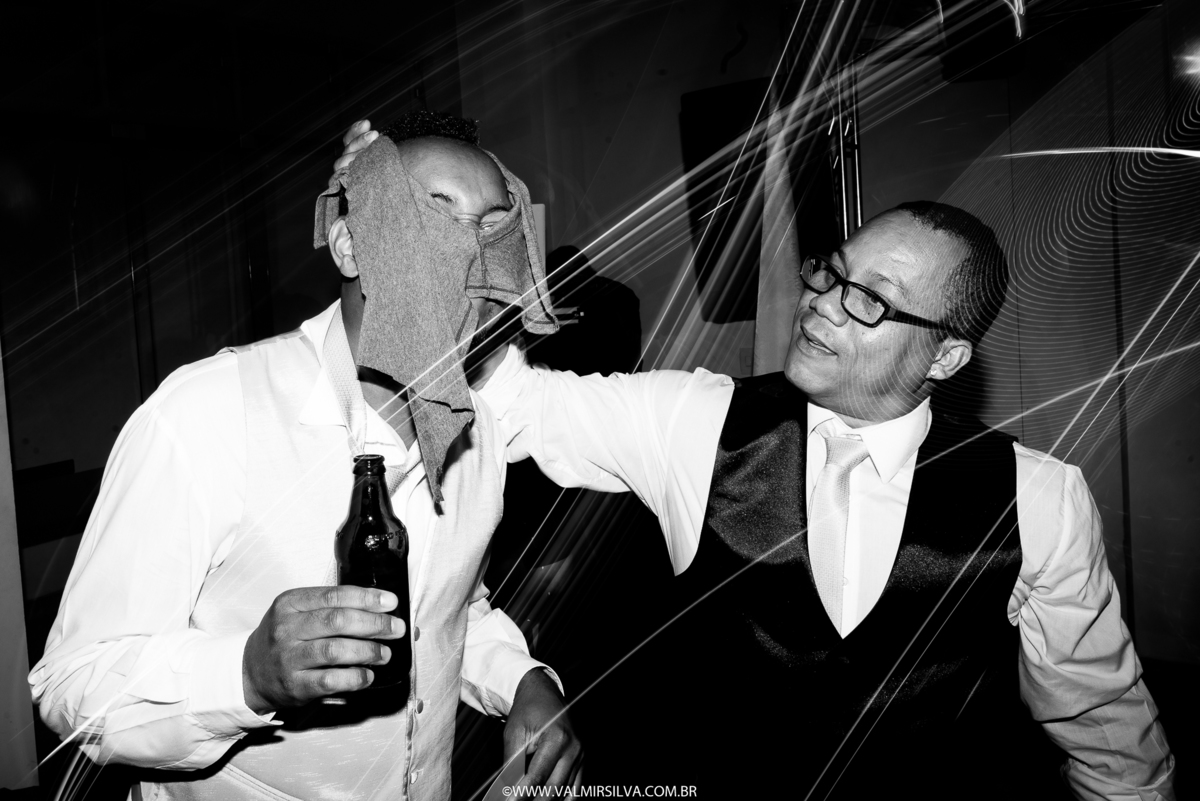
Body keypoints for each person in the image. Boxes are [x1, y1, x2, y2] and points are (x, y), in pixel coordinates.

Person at [476, 202, 1176, 799]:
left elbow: (1110, 737)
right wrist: (471, 242)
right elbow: (518, 403)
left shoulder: (1037, 499)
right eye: (831, 272)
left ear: (944, 357)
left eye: (870, 299)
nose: (823, 301)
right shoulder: (697, 422)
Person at [29, 112, 582, 801]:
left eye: (491, 228)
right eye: (435, 215)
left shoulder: (480, 435)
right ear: (350, 245)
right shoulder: (208, 414)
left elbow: (447, 610)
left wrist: (523, 681)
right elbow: (73, 682)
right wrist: (245, 674)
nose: (468, 257)